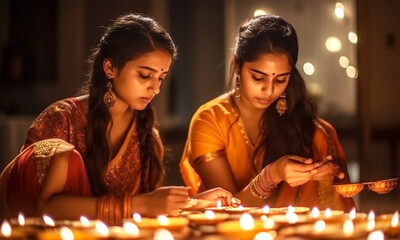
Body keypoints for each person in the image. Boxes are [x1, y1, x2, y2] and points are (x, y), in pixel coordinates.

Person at [0, 13, 239, 224]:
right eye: (145, 75)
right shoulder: (62, 120)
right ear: (110, 69)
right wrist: (138, 205)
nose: (155, 89)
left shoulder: (147, 138)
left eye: (161, 78)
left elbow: (150, 211)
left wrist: (195, 202)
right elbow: (38, 207)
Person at [180, 15, 355, 211]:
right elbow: (229, 210)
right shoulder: (209, 120)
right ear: (237, 65)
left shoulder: (299, 123)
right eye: (258, 78)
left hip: (289, 231)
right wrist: (272, 175)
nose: (269, 91)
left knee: (322, 134)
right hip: (227, 233)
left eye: (280, 80)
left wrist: (320, 175)